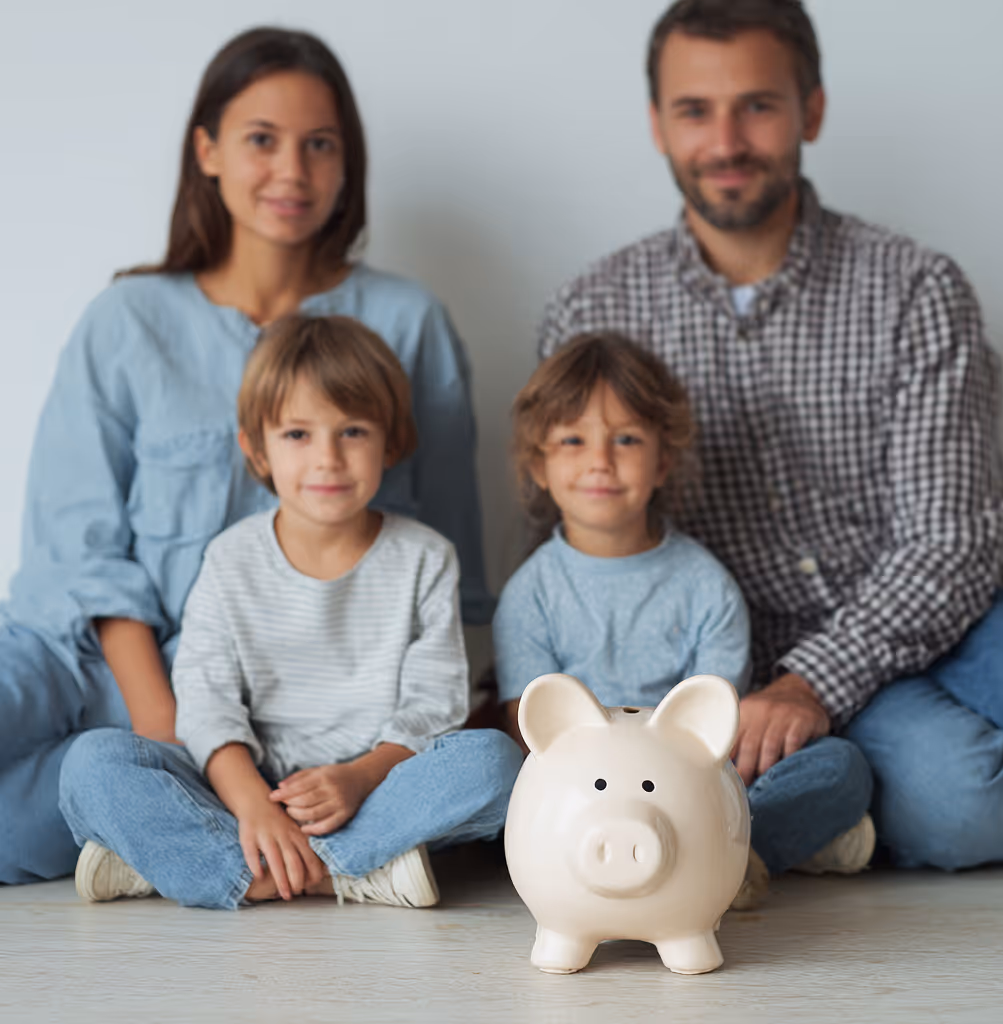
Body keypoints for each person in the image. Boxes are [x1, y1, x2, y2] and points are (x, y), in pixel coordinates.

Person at [537, 0, 1003, 870]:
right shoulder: (595, 311)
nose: (726, 140)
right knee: (965, 806)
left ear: (813, 108)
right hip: (767, 670)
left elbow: (954, 541)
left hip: (953, 614)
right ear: (657, 124)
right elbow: (578, 537)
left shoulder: (916, 289)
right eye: (695, 110)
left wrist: (817, 682)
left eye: (757, 105)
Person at [0, 27, 492, 885]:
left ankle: (199, 850)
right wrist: (165, 713)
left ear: (349, 163)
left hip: (291, 710)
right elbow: (75, 549)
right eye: (262, 139)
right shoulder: (125, 320)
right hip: (89, 659)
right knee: (66, 743)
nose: (292, 172)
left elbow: (438, 565)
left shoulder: (406, 322)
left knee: (54, 805)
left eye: (320, 145)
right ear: (208, 151)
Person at [58, 315, 522, 909]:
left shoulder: (425, 559)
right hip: (239, 786)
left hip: (374, 785)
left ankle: (220, 868)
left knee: (496, 764)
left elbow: (431, 708)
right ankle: (344, 871)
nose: (327, 459)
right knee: (92, 764)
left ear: (392, 440)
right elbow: (206, 703)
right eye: (298, 435)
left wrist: (358, 778)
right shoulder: (230, 558)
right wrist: (252, 803)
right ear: (257, 448)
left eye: (352, 431)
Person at [494, 332, 873, 897]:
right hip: (582, 794)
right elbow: (530, 730)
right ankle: (725, 857)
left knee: (841, 765)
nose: (600, 461)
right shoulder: (531, 594)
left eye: (625, 439)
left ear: (663, 461)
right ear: (539, 467)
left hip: (687, 784)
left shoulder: (704, 584)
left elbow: (716, 725)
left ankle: (744, 854)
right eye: (573, 440)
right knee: (489, 769)